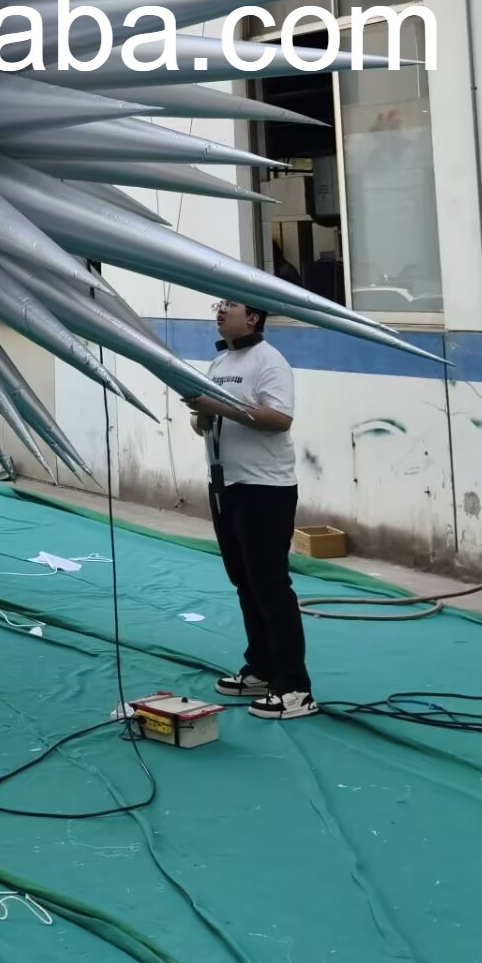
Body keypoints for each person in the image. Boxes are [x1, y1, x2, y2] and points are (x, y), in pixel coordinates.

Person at [184, 300, 316, 721]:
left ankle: (294, 687)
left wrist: (218, 407)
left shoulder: (269, 361)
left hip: (264, 489)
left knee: (270, 586)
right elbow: (204, 421)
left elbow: (279, 419)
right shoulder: (220, 362)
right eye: (218, 305)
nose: (220, 311)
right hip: (226, 486)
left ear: (254, 317)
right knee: (244, 582)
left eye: (230, 305)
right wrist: (201, 415)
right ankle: (261, 668)